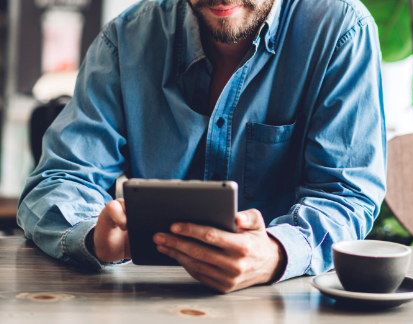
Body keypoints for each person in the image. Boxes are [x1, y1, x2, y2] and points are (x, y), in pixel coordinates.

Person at [18, 0, 386, 293]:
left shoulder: (342, 31)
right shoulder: (126, 40)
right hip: (148, 299)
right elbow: (59, 178)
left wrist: (277, 250)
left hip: (289, 298)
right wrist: (91, 237)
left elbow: (346, 193)